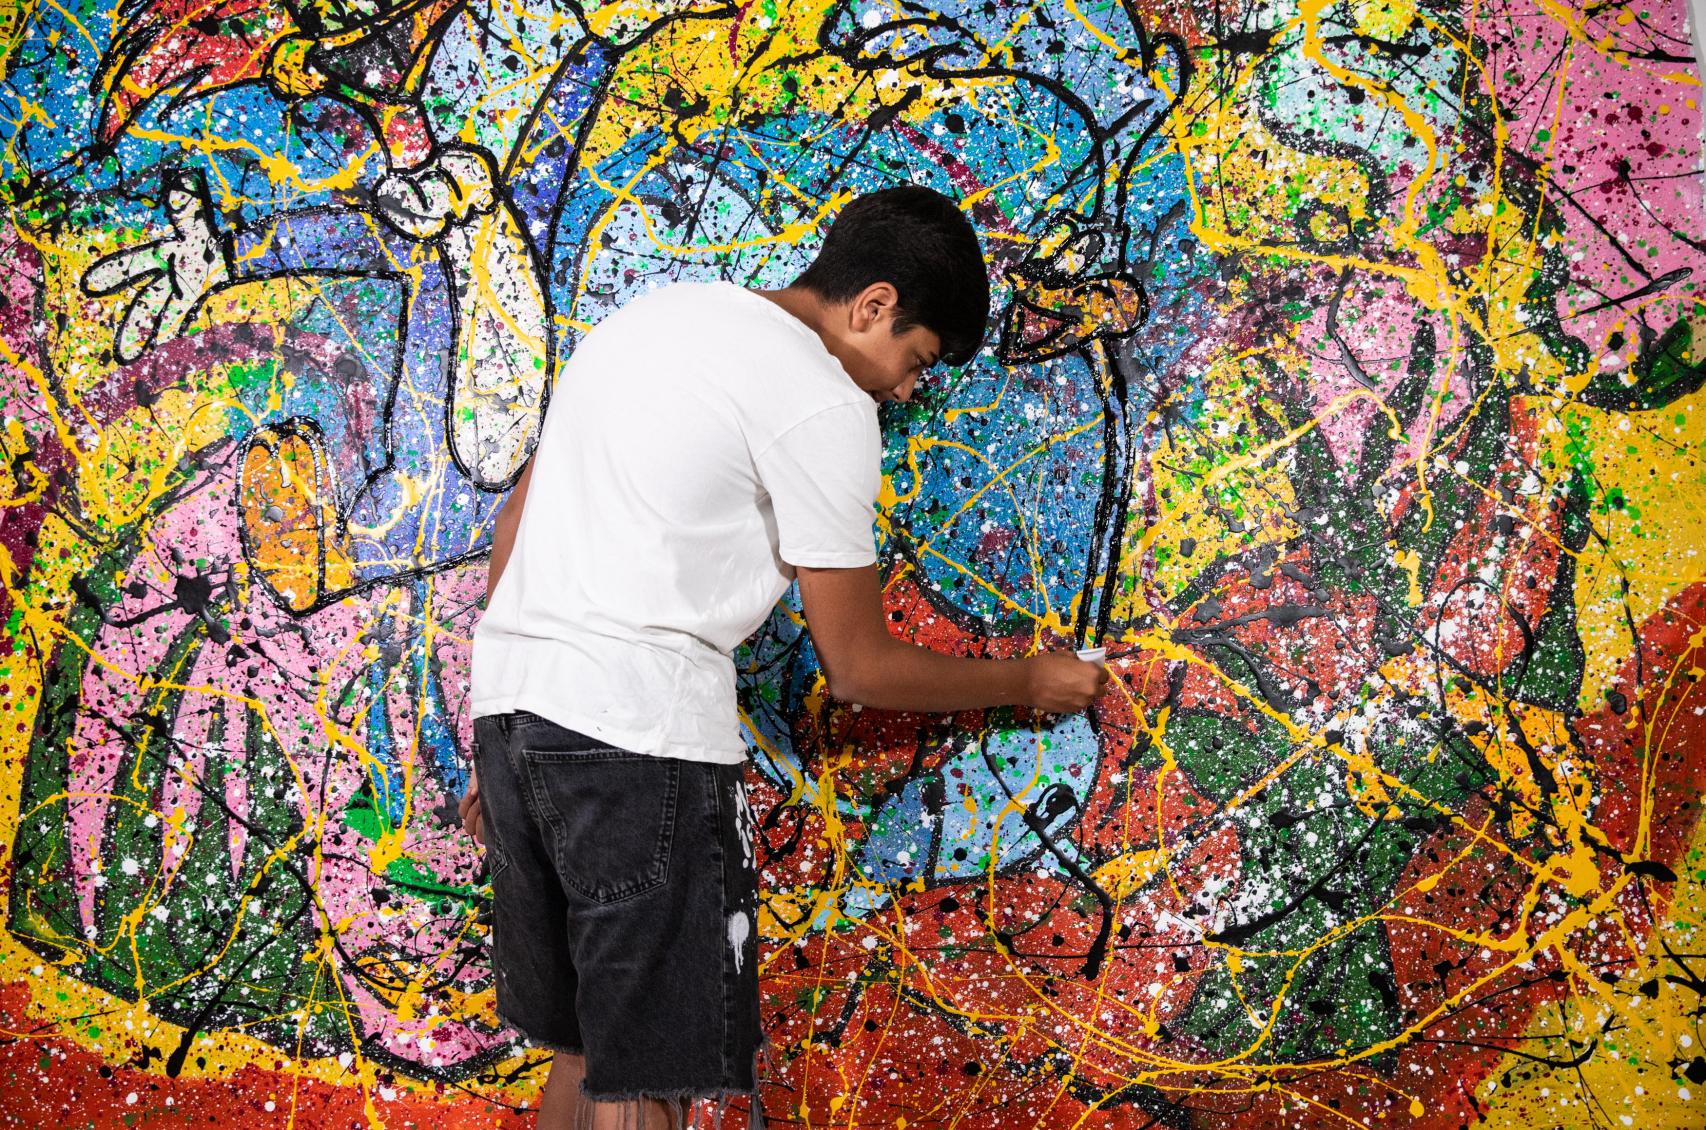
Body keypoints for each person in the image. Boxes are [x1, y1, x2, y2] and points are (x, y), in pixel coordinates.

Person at [457, 185, 1109, 1130]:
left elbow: (514, 523)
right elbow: (860, 667)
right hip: (638, 737)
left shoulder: (648, 321)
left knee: (590, 1050)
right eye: (915, 360)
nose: (905, 390)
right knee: (646, 1078)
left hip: (516, 716)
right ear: (874, 304)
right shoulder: (818, 399)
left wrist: (517, 728)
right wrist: (1027, 679)